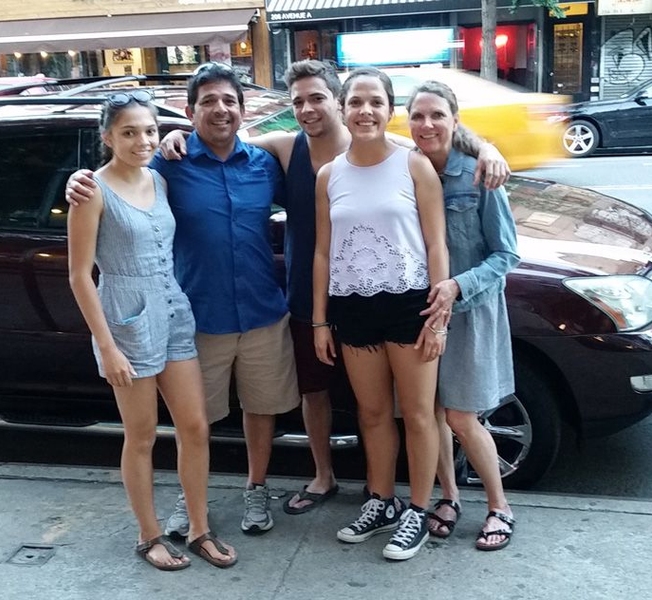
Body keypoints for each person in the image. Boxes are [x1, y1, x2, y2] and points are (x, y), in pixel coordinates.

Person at [158, 59, 510, 516]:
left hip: (400, 302)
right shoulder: (286, 151)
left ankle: (439, 498)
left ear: (338, 103)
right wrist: (176, 136)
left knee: (418, 407)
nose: (308, 108)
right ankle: (329, 478)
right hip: (314, 299)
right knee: (319, 394)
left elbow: (435, 144)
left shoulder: (396, 151)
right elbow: (226, 139)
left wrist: (486, 147)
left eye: (318, 97)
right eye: (298, 101)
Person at [65, 63, 300, 537]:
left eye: (229, 101)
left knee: (260, 408)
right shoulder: (168, 165)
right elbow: (119, 183)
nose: (220, 110)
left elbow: (326, 144)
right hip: (198, 313)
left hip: (259, 308)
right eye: (208, 101)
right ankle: (185, 508)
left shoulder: (261, 164)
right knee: (190, 425)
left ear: (242, 109)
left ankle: (254, 490)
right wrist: (77, 180)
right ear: (190, 112)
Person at [67, 91, 236, 570]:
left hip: (173, 309)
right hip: (126, 318)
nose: (142, 140)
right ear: (107, 137)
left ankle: (199, 527)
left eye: (148, 130)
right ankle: (149, 536)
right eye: (128, 132)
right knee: (140, 435)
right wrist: (108, 345)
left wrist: (175, 136)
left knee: (195, 427)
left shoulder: (159, 181)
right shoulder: (92, 190)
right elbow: (81, 275)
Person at [312, 67, 449, 561]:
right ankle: (381, 500)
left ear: (389, 110)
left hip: (410, 302)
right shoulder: (329, 174)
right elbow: (323, 253)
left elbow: (436, 242)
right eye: (355, 102)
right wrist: (320, 319)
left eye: (375, 102)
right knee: (371, 413)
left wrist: (438, 317)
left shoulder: (413, 164)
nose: (365, 111)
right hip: (352, 305)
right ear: (343, 110)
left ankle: (416, 509)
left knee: (416, 413)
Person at [408, 80, 520, 551]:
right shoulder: (407, 169)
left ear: (455, 120)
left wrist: (458, 285)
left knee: (461, 416)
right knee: (429, 412)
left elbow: (506, 254)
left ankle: (500, 507)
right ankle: (449, 498)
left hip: (470, 312)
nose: (427, 124)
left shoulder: (478, 173)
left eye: (437, 115)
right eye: (418, 116)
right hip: (421, 314)